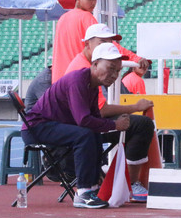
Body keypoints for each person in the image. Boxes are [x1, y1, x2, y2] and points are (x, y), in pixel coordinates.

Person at [21, 43, 130, 209]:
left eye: (117, 70)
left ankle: (92, 188)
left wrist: (111, 125)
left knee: (92, 133)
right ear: (94, 64)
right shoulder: (78, 81)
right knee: (84, 134)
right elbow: (84, 120)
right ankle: (84, 191)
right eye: (110, 68)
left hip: (50, 124)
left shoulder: (92, 86)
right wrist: (115, 124)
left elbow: (93, 118)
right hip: (36, 127)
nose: (114, 75)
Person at [65, 23, 154, 202]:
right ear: (87, 45)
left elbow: (97, 111)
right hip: (76, 127)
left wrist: (136, 59)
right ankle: (130, 183)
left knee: (131, 123)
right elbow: (101, 111)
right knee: (141, 125)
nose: (108, 46)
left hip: (79, 123)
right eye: (102, 42)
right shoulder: (83, 70)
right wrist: (134, 108)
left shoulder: (88, 63)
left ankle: (117, 180)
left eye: (110, 42)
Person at [51, 0, 149, 83]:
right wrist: (135, 58)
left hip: (59, 81)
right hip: (79, 78)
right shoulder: (86, 17)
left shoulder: (62, 19)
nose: (93, 2)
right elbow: (107, 46)